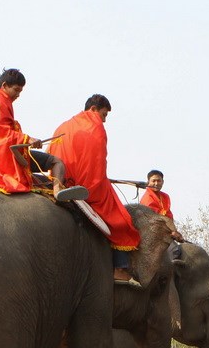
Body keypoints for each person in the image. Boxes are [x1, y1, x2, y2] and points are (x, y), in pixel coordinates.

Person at [49, 94, 144, 286]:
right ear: (93, 109)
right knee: (122, 221)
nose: (104, 119)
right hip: (85, 186)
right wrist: (98, 182)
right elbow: (98, 161)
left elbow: (51, 154)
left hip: (58, 182)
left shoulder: (63, 126)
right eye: (104, 114)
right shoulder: (94, 125)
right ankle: (119, 268)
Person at [0, 69, 83, 201]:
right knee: (57, 162)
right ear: (4, 86)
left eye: (20, 91)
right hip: (1, 157)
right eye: (16, 90)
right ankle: (58, 191)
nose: (18, 95)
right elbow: (1, 132)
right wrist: (27, 138)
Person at [140, 170, 184, 241]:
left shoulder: (165, 196)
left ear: (163, 182)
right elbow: (154, 218)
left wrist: (173, 231)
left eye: (159, 181)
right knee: (174, 251)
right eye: (153, 181)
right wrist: (172, 231)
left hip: (165, 230)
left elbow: (169, 215)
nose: (156, 183)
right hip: (151, 232)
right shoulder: (147, 198)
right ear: (148, 182)